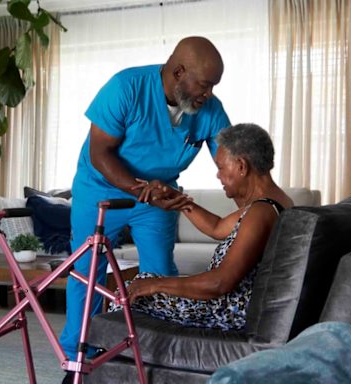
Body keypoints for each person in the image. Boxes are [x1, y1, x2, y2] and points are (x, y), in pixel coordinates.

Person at [60, 36, 231, 373]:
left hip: (159, 197)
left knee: (160, 272)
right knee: (88, 274)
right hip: (101, 191)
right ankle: (78, 356)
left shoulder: (209, 109)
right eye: (204, 84)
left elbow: (231, 158)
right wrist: (142, 190)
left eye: (213, 86)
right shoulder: (126, 87)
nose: (207, 93)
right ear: (179, 71)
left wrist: (259, 198)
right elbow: (100, 153)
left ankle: (154, 351)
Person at [111, 123, 293, 330]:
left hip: (227, 311)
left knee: (129, 292)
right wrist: (179, 199)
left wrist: (156, 285)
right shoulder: (276, 203)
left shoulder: (261, 212)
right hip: (233, 304)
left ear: (242, 166)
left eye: (221, 167)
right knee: (143, 280)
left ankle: (113, 356)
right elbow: (217, 227)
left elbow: (220, 283)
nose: (218, 175)